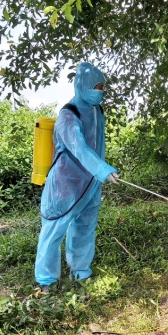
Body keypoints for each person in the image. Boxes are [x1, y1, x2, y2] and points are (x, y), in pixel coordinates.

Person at [35, 62, 119, 292]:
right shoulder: (67, 115)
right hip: (66, 184)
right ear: (82, 86)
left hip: (91, 183)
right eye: (96, 87)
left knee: (85, 226)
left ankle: (80, 272)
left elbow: (97, 146)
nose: (99, 92)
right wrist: (102, 169)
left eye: (102, 87)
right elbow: (78, 147)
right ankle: (46, 281)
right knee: (54, 230)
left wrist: (100, 172)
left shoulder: (97, 111)